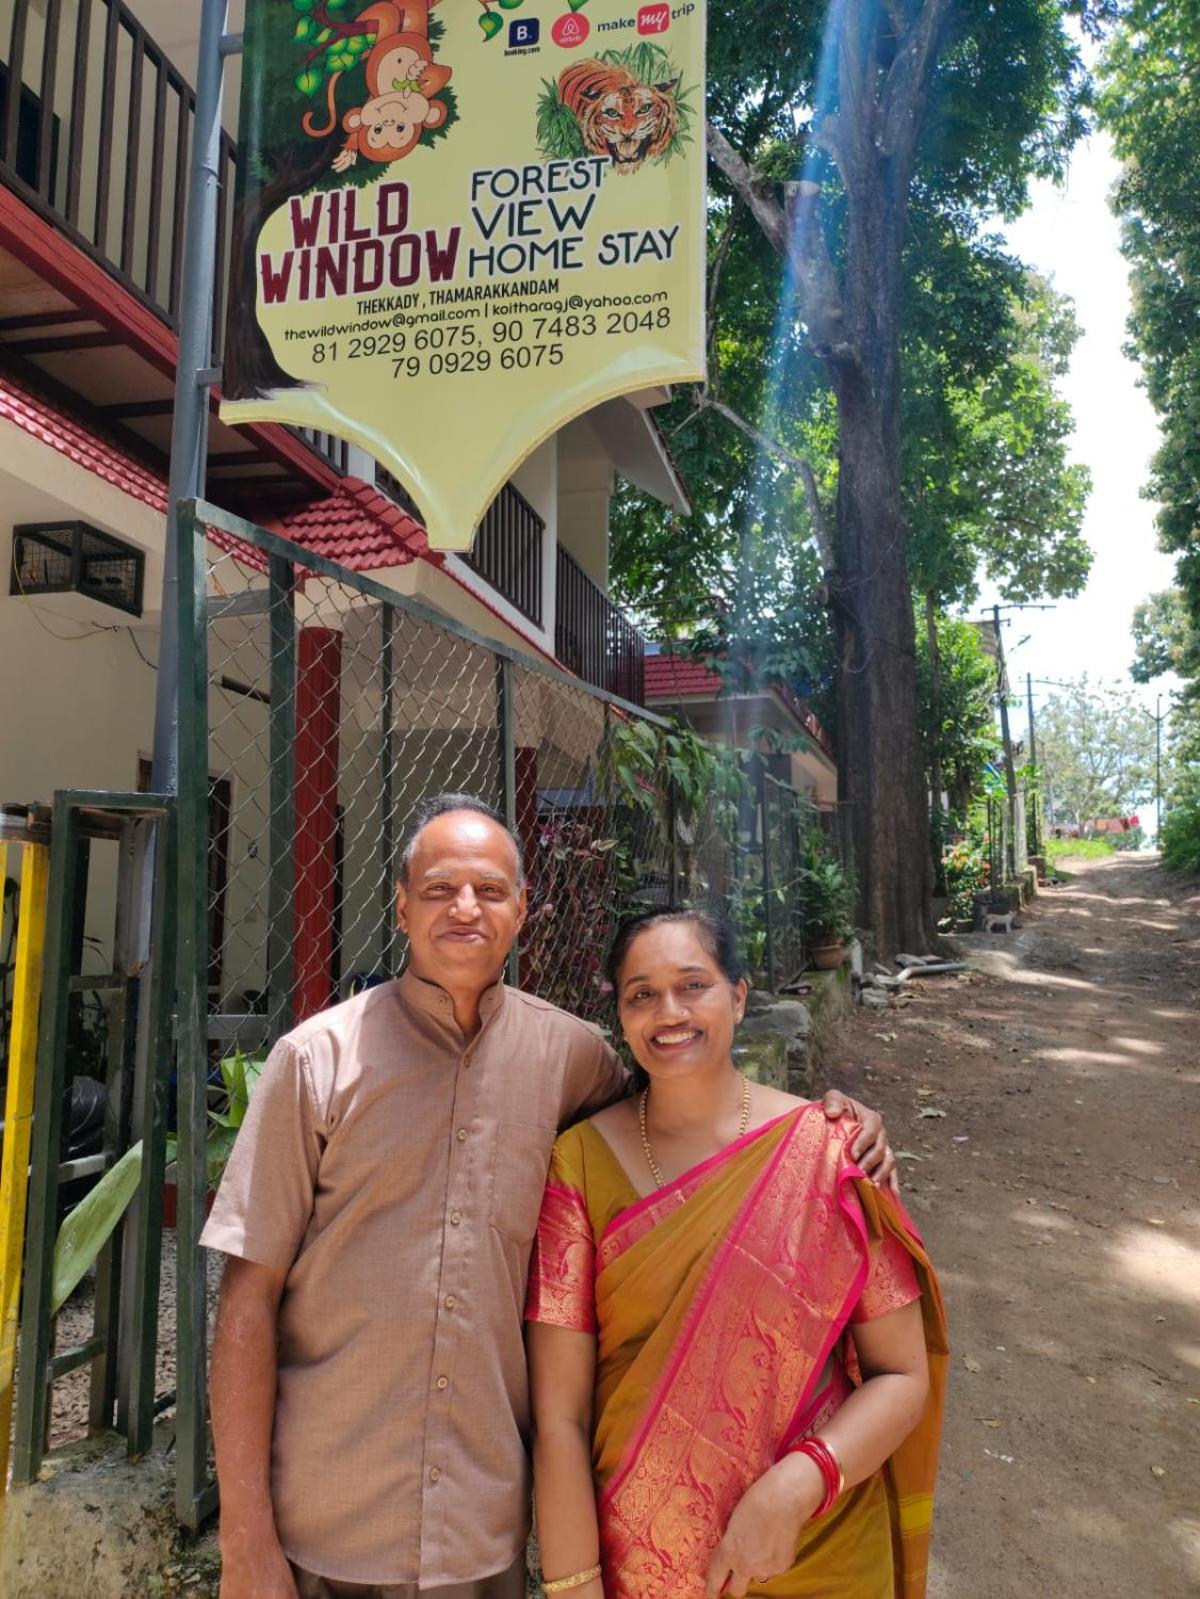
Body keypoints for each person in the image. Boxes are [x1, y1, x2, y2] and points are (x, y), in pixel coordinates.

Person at [203, 796, 900, 1599]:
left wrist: (833, 1123)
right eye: (439, 889)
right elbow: (247, 1299)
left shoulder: (571, 1059)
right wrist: (244, 1534)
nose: (466, 907)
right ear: (400, 904)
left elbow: (688, 1130)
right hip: (324, 1521)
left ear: (523, 908)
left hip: (480, 1525)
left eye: (491, 889)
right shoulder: (315, 1062)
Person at [527, 908, 948, 1599]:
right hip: (641, 1564)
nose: (669, 1011)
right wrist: (575, 1587)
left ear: (740, 995)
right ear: (621, 1016)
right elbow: (560, 1418)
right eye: (641, 993)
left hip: (823, 1551)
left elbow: (901, 1375)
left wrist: (798, 1482)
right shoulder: (577, 1167)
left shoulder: (829, 1151)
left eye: (693, 984)